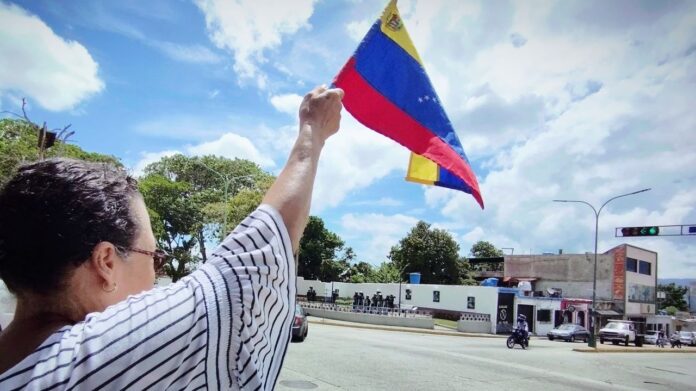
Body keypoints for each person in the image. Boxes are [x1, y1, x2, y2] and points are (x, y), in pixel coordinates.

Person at [0, 85, 344, 390]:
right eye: (155, 258)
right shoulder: (91, 362)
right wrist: (311, 130)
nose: (156, 276)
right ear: (105, 262)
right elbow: (251, 270)